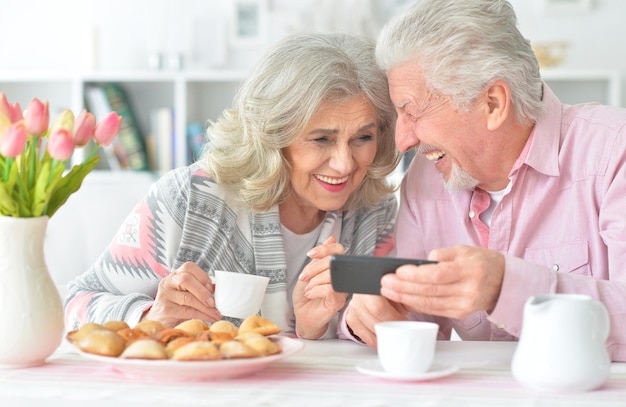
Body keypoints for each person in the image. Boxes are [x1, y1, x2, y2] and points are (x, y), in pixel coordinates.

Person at [339, 0, 626, 361]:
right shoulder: (426, 179)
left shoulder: (615, 151)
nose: (402, 140)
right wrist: (371, 315)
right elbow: (416, 314)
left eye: (412, 112)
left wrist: (505, 287)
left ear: (493, 103)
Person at [64, 32, 400, 339]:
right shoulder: (191, 200)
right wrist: (151, 314)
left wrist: (314, 329)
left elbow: (378, 333)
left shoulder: (374, 214)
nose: (344, 163)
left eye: (363, 137)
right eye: (321, 139)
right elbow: (75, 305)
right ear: (273, 136)